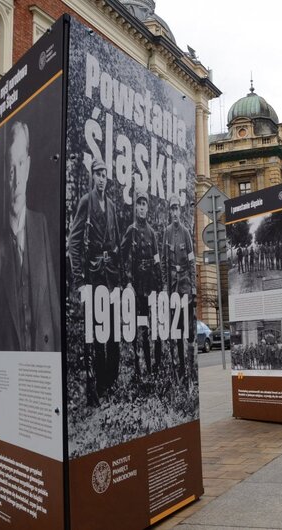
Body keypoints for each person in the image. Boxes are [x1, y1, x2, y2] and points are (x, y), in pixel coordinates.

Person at [0, 121, 60, 352]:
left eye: (20, 164)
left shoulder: (41, 225)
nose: (17, 178)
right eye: (11, 168)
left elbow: (52, 300)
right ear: (5, 175)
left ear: (28, 166)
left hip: (44, 358)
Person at [68, 156, 122, 405]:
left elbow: (117, 241)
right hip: (93, 276)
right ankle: (99, 386)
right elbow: (74, 241)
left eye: (104, 175)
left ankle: (111, 381)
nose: (101, 179)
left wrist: (121, 277)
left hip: (111, 275)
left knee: (113, 330)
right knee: (98, 331)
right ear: (92, 176)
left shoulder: (111, 205)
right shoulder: (86, 202)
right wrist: (79, 280)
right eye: (98, 174)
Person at [121, 188, 162, 383]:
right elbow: (122, 257)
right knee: (137, 327)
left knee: (150, 327)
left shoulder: (152, 233)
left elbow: (156, 260)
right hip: (136, 285)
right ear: (135, 207)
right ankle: (138, 368)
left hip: (150, 284)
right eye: (139, 204)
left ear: (147, 208)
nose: (142, 208)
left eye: (144, 204)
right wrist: (127, 281)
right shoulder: (132, 230)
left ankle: (152, 369)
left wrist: (160, 286)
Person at [163, 194, 196, 382]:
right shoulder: (166, 233)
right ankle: (181, 370)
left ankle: (190, 371)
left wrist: (194, 289)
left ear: (180, 211)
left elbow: (191, 262)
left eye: (177, 208)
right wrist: (164, 287)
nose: (175, 212)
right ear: (169, 212)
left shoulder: (186, 233)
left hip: (185, 286)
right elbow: (163, 263)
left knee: (188, 330)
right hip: (173, 288)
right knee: (176, 329)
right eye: (172, 209)